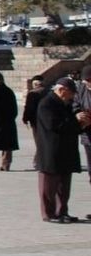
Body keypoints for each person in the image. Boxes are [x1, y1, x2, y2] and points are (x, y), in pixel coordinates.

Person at [35, 77, 84, 223]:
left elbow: (71, 125)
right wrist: (76, 121)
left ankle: (62, 211)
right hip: (51, 150)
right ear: (62, 90)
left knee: (64, 186)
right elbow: (54, 125)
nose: (72, 96)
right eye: (71, 93)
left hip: (66, 150)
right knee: (49, 185)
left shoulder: (66, 104)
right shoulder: (47, 104)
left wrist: (81, 124)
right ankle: (49, 213)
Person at [22, 76, 47, 170]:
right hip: (47, 121)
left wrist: (25, 119)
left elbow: (28, 108)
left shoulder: (32, 93)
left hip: (36, 121)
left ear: (35, 84)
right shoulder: (48, 92)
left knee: (39, 142)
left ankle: (38, 161)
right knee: (45, 140)